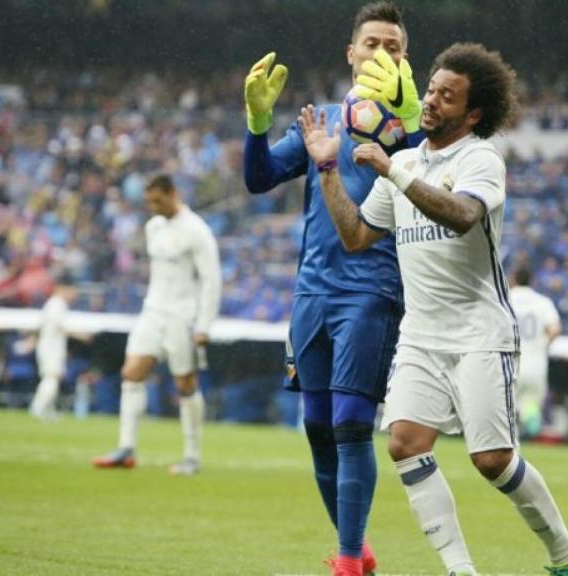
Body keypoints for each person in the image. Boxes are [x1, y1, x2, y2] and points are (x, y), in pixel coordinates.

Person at [302, 42, 568, 576]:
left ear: (473, 113)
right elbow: (356, 235)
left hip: (481, 332)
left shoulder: (480, 158)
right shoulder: (408, 160)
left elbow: (461, 215)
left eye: (447, 96)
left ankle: (567, 555)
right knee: (405, 444)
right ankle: (461, 570)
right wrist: (327, 168)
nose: (431, 102)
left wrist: (395, 173)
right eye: (432, 90)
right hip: (421, 334)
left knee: (492, 461)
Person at [242, 3, 423, 573]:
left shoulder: (412, 134)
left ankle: (345, 560)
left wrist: (410, 124)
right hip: (311, 295)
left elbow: (429, 176)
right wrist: (256, 124)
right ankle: (358, 549)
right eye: (372, 43)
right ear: (351, 53)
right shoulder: (320, 119)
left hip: (371, 291)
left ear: (405, 59)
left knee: (350, 425)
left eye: (393, 46)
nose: (381, 53)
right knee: (317, 427)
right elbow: (258, 179)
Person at [93, 174, 221, 476]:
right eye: (149, 201)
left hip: (183, 316)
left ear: (172, 194)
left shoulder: (197, 231)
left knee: (185, 384)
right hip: (153, 311)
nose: (152, 207)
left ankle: (191, 455)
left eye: (157, 200)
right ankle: (126, 448)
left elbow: (211, 280)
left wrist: (203, 325)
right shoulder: (154, 227)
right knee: (132, 372)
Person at [509, 266, 561, 438]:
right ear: (532, 281)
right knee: (531, 402)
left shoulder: (505, 298)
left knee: (506, 404)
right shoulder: (543, 301)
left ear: (514, 279)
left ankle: (511, 436)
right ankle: (530, 420)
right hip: (536, 363)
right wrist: (542, 344)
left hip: (510, 361)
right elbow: (554, 329)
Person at [28, 282, 83, 420]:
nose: (74, 295)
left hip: (50, 346)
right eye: (72, 290)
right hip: (51, 347)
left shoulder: (54, 304)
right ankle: (38, 408)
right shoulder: (56, 304)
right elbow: (62, 326)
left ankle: (47, 410)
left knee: (51, 378)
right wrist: (83, 335)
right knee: (51, 378)